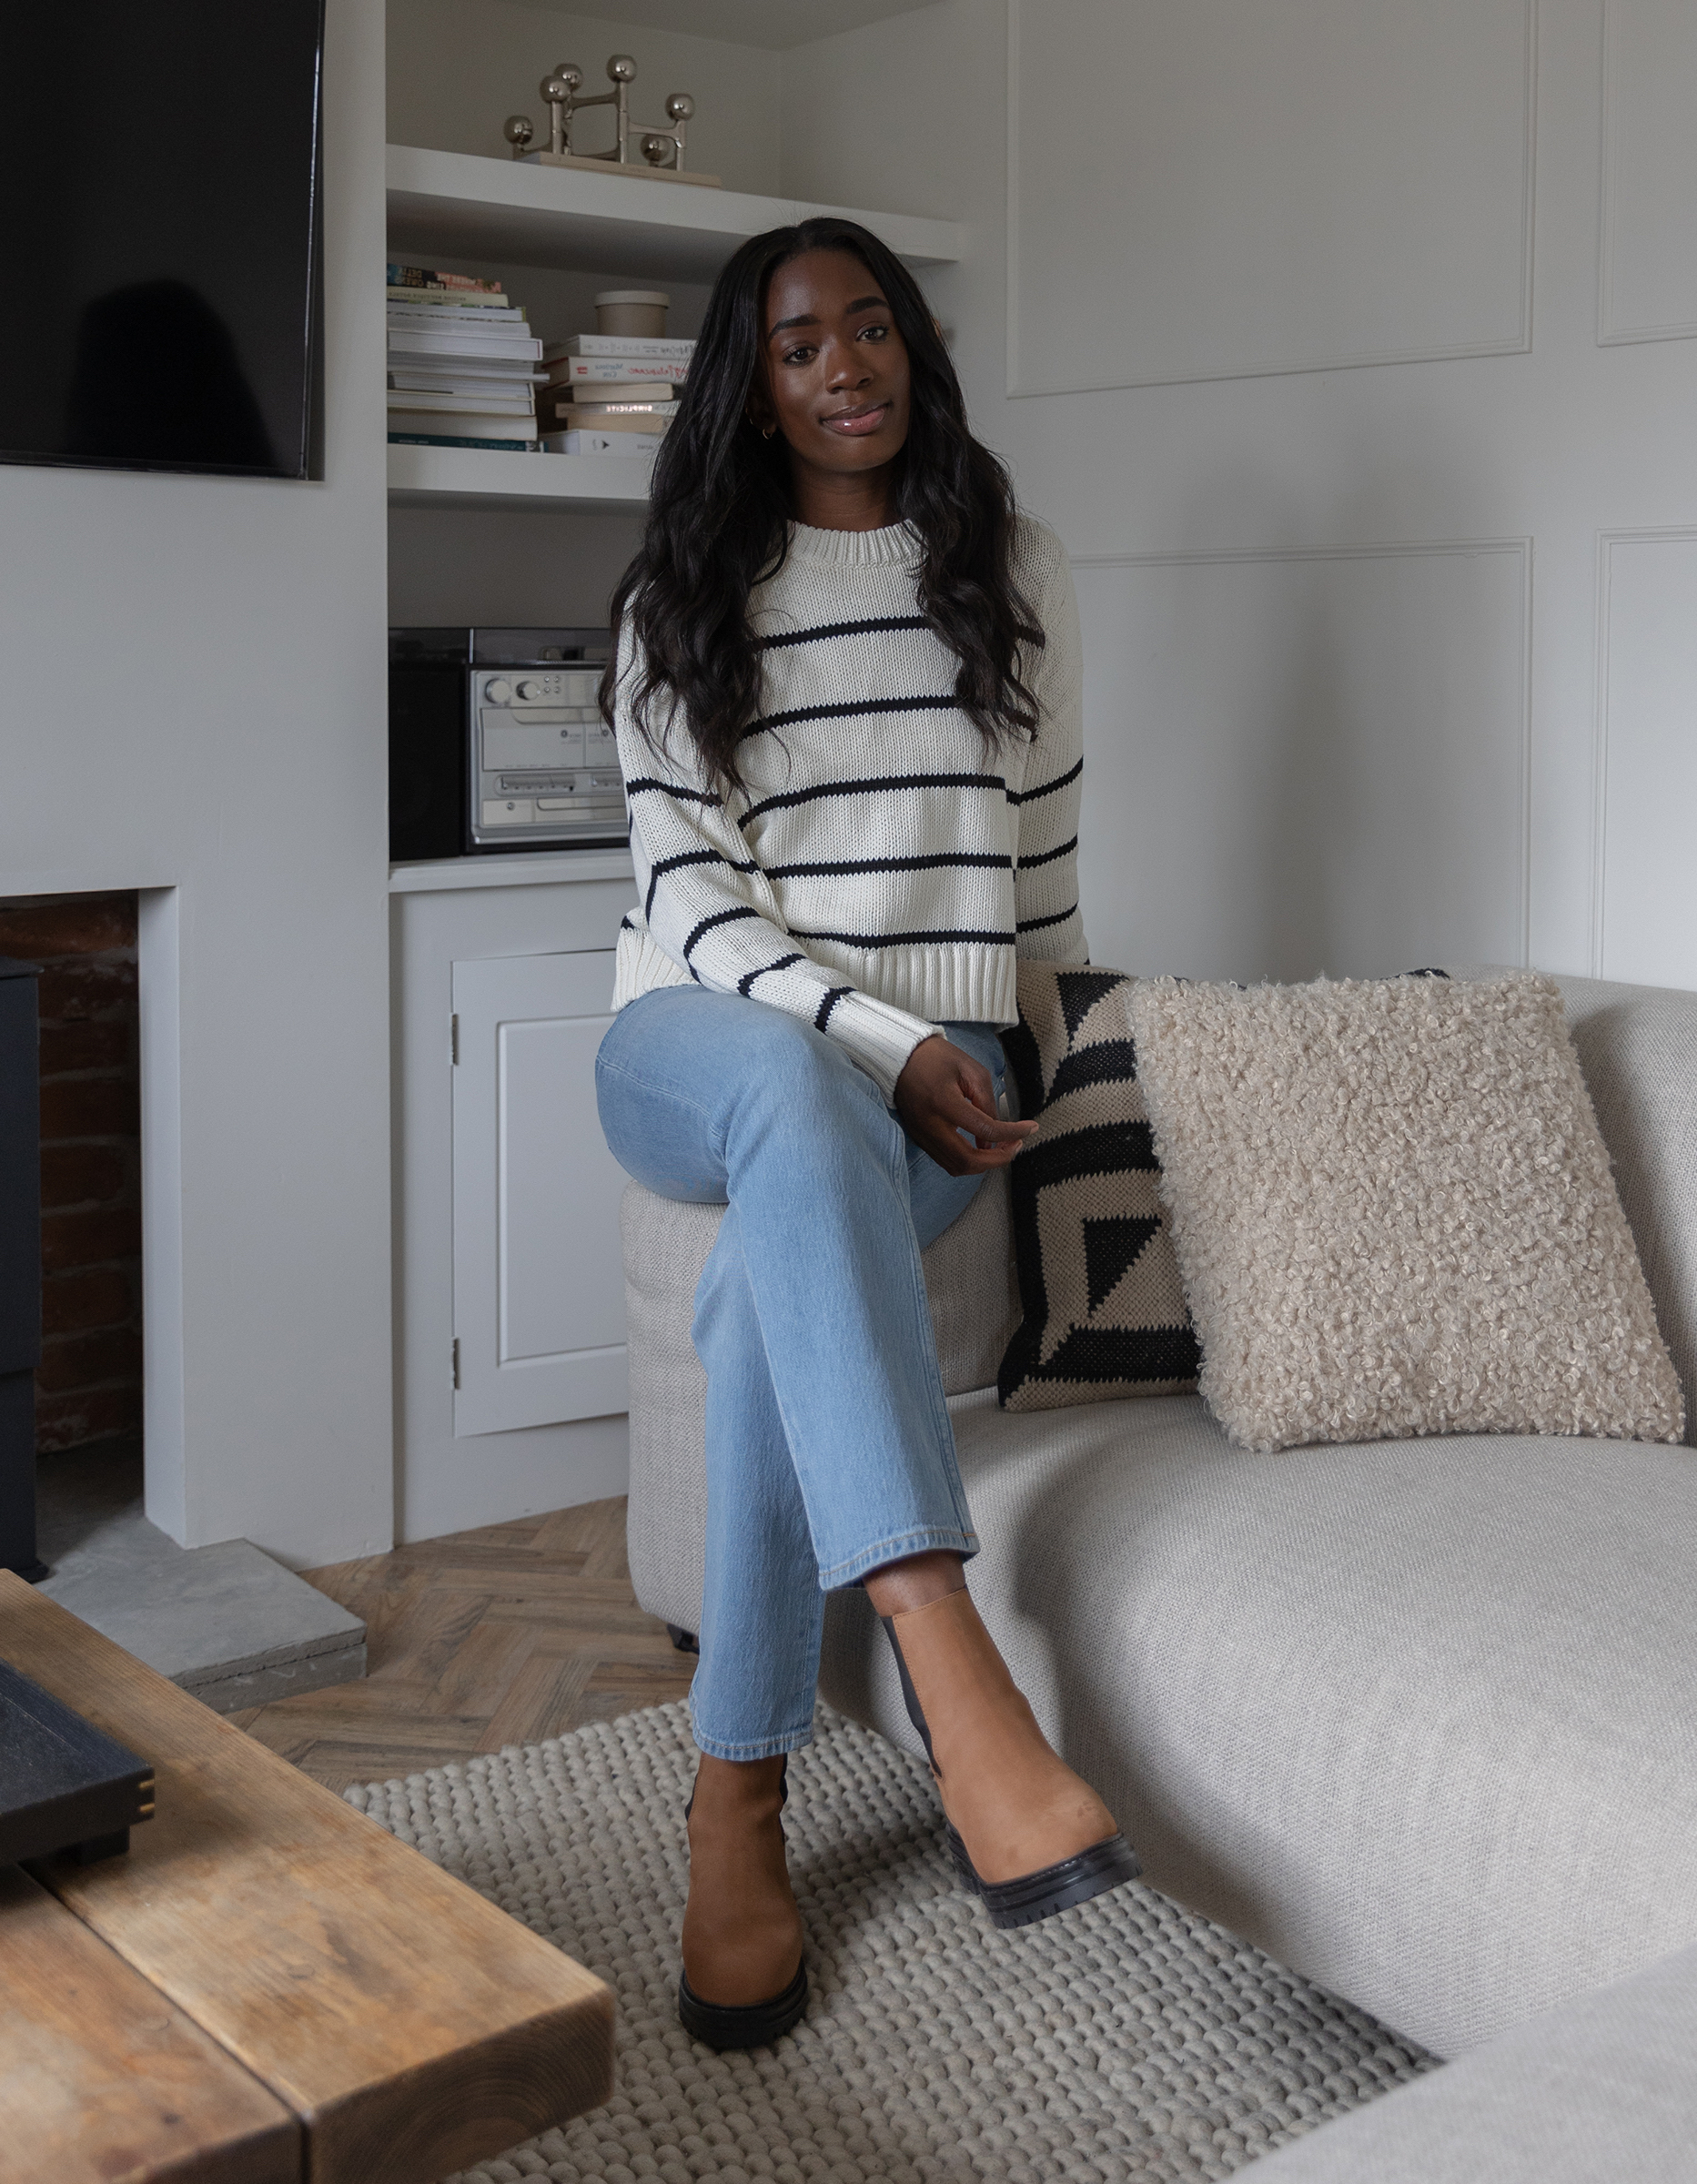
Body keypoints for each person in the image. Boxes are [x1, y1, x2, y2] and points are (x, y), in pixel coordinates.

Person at [594, 216, 1138, 2052]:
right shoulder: (678, 596)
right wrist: (890, 1042)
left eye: (872, 326)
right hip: (697, 1035)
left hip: (925, 1058)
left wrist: (1034, 1060)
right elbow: (706, 915)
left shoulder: (1016, 568)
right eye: (800, 340)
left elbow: (1042, 873)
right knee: (778, 1083)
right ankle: (939, 1642)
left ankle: (733, 1806)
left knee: (769, 1290)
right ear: (749, 387)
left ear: (912, 346)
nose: (846, 363)